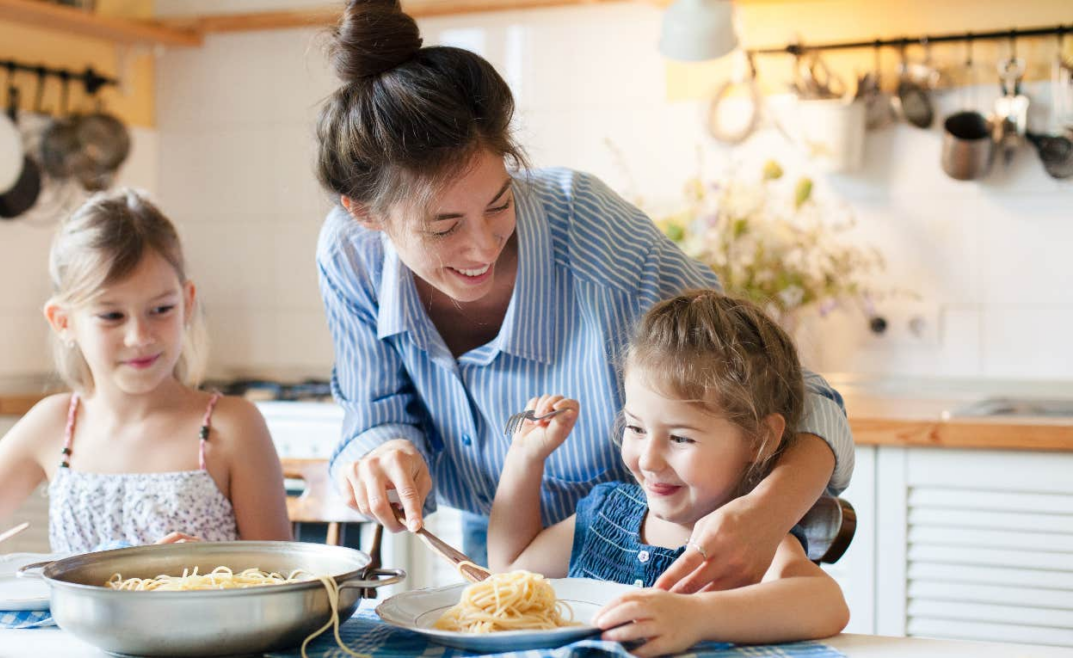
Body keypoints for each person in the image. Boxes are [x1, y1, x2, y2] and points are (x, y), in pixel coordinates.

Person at [315, 0, 854, 589]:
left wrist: (766, 514)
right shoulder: (349, 256)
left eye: (500, 203)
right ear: (365, 214)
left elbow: (795, 395)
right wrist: (382, 449)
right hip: (501, 540)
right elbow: (374, 411)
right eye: (443, 227)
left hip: (653, 539)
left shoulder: (589, 228)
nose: (482, 247)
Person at [0, 190, 292, 556]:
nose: (139, 337)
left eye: (161, 310)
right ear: (63, 321)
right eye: (111, 315)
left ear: (187, 303)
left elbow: (286, 579)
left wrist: (209, 568)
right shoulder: (54, 425)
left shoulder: (234, 426)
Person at [487, 291, 849, 656]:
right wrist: (524, 457)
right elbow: (509, 569)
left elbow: (827, 604)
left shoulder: (744, 543)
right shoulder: (605, 515)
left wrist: (698, 616)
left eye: (679, 437)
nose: (649, 459)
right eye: (636, 428)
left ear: (758, 440)